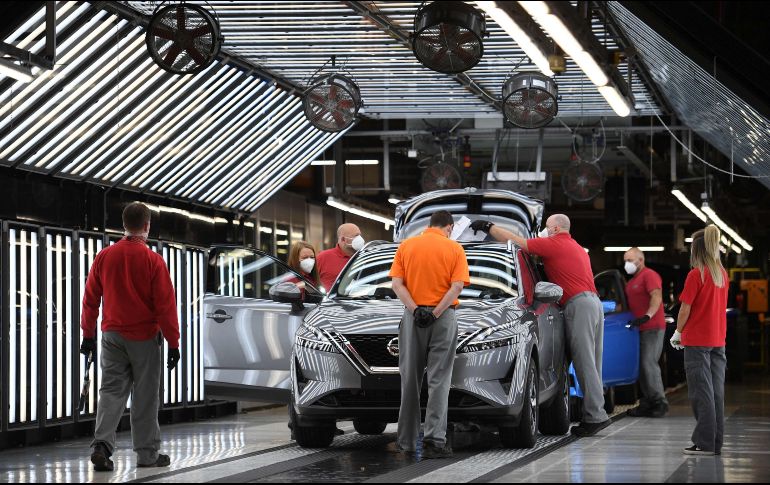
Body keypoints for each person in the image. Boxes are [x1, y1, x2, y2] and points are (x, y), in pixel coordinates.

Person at [471, 214, 611, 437]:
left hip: (578, 304)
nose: (544, 231)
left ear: (555, 228)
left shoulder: (555, 243)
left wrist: (489, 226)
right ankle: (597, 412)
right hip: (593, 303)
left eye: (546, 227)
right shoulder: (574, 246)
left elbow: (517, 241)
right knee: (592, 362)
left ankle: (595, 417)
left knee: (585, 362)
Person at [80, 202, 180, 472]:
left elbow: (90, 300)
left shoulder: (104, 257)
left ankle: (101, 445)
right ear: (147, 226)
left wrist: (87, 334)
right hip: (144, 339)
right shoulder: (153, 261)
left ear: (124, 224)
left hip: (111, 336)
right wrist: (174, 342)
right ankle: (147, 454)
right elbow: (165, 306)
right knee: (145, 396)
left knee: (111, 392)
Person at [389, 210, 470, 459]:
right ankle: (435, 440)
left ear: (429, 225)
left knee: (409, 380)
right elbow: (456, 286)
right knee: (439, 381)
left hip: (412, 318)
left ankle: (406, 442)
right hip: (443, 318)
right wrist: (435, 313)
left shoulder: (407, 245)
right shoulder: (454, 249)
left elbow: (396, 284)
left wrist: (415, 310)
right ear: (449, 227)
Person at [670, 225, 728, 456]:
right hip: (718, 340)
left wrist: (678, 332)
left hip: (696, 341)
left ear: (697, 250)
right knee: (716, 393)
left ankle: (704, 444)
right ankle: (715, 442)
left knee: (700, 392)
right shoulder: (721, 274)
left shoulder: (697, 274)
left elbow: (685, 309)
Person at [624, 247, 669, 418]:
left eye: (629, 260)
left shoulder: (649, 275)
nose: (626, 264)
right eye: (625, 261)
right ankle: (648, 401)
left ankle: (660, 402)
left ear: (640, 260)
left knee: (648, 363)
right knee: (641, 367)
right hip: (638, 330)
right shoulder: (631, 282)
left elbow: (656, 296)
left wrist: (647, 316)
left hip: (653, 327)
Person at [317, 223, 365, 292]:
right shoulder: (323, 257)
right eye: (356, 235)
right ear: (343, 240)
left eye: (360, 235)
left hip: (359, 301)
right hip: (331, 302)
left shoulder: (364, 257)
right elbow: (309, 282)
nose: (360, 239)